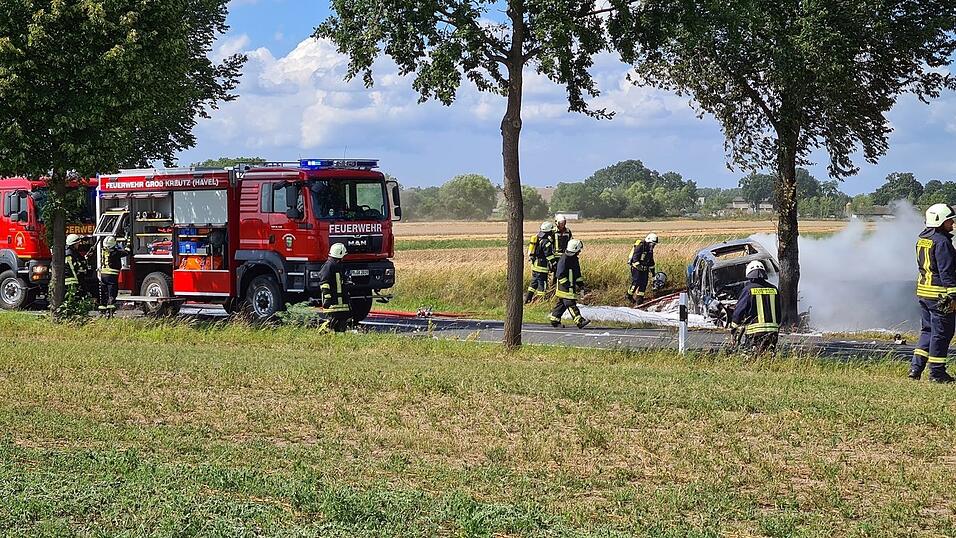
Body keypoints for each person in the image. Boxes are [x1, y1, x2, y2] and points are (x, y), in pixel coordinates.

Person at [910, 203, 956, 383]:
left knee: (927, 331)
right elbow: (946, 271)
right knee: (942, 334)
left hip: (924, 293)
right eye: (949, 220)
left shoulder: (923, 239)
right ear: (939, 221)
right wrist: (953, 295)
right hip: (940, 295)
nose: (952, 223)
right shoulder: (942, 242)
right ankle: (937, 373)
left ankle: (916, 368)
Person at [730, 260, 780, 354]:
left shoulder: (748, 290)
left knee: (753, 356)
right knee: (768, 356)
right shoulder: (774, 289)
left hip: (755, 333)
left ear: (749, 274)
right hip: (773, 332)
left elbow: (739, 311)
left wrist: (734, 327)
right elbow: (779, 312)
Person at [549, 239, 590, 329]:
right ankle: (579, 321)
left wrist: (581, 285)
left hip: (569, 286)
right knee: (570, 303)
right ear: (575, 249)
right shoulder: (564, 259)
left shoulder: (573, 258)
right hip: (565, 287)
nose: (580, 251)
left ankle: (554, 320)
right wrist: (567, 285)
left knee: (562, 304)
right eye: (579, 250)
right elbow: (559, 274)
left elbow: (577, 274)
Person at [318, 242, 353, 332]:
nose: (344, 258)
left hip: (341, 303)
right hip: (333, 303)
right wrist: (327, 298)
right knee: (331, 322)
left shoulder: (338, 266)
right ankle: (322, 334)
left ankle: (340, 341)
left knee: (342, 323)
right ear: (339, 254)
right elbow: (324, 283)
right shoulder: (328, 266)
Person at [526, 221, 556, 304]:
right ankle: (541, 303)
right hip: (542, 267)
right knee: (542, 286)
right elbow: (549, 255)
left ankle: (527, 300)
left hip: (535, 265)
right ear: (548, 232)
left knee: (533, 284)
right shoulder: (546, 242)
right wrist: (554, 264)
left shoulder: (538, 238)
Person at [98, 236, 128, 317]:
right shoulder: (115, 253)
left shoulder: (103, 251)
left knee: (104, 294)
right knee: (112, 294)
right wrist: (128, 243)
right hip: (111, 276)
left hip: (103, 275)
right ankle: (111, 313)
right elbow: (127, 252)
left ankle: (102, 312)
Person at [626, 233, 658, 305]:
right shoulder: (640, 246)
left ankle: (640, 299)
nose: (653, 246)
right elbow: (635, 258)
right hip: (636, 268)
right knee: (636, 282)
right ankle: (629, 296)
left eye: (654, 244)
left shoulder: (650, 250)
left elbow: (651, 261)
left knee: (644, 283)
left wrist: (653, 273)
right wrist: (639, 266)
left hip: (644, 268)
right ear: (648, 241)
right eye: (652, 244)